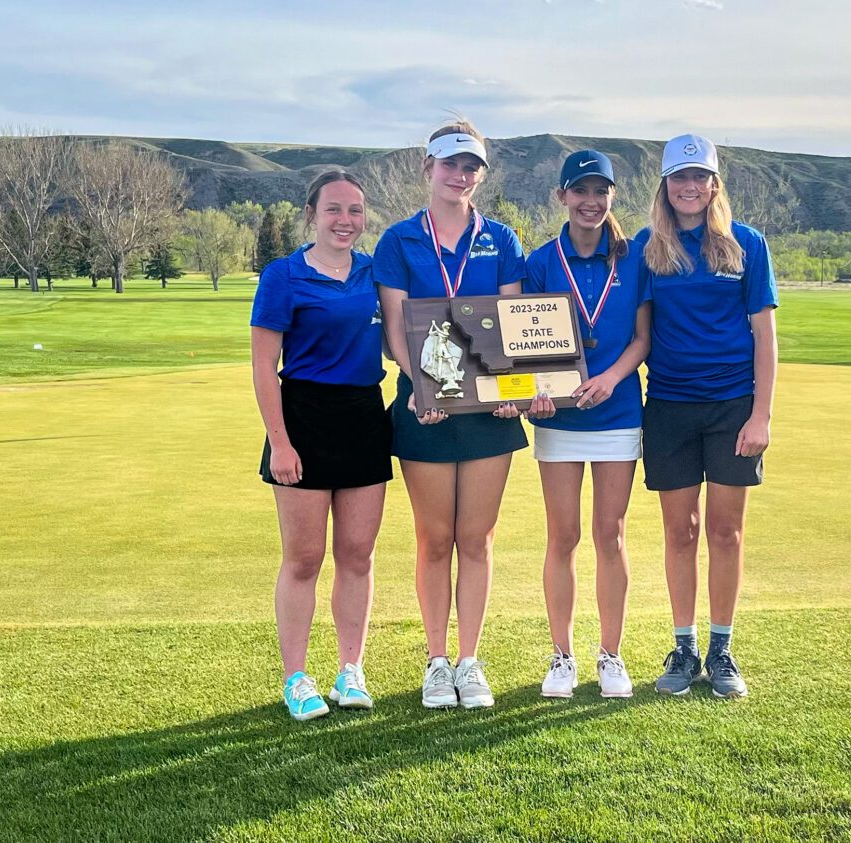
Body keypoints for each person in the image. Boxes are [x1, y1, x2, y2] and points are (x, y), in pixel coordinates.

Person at [374, 120, 551, 710]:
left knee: (474, 539)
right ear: (428, 169)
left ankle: (470, 660)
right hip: (424, 408)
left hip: (489, 413)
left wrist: (511, 387)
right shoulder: (399, 241)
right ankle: (436, 661)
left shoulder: (501, 238)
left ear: (481, 174)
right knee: (433, 538)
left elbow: (509, 320)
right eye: (450, 165)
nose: (460, 175)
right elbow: (398, 328)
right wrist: (421, 387)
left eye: (471, 166)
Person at [640, 134, 778, 700]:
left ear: (714, 184)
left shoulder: (746, 244)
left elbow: (765, 337)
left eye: (699, 177)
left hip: (733, 408)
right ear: (666, 186)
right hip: (669, 406)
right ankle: (685, 645)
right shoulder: (648, 249)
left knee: (725, 531)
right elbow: (638, 330)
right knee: (680, 531)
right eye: (679, 178)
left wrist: (761, 415)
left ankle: (722, 649)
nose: (690, 187)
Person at [250, 171, 391, 720]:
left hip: (363, 416)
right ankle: (296, 677)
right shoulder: (282, 276)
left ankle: (350, 671)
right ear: (311, 213)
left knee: (357, 555)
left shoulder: (375, 273)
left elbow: (411, 335)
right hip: (302, 417)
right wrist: (280, 444)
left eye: (355, 211)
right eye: (334, 209)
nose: (345, 221)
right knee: (304, 558)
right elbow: (264, 368)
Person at [523, 150, 651, 699]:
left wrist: (613, 379)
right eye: (580, 192)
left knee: (610, 532)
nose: (590, 202)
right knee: (564, 535)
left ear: (612, 198)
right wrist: (537, 392)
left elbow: (642, 339)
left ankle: (611, 655)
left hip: (618, 410)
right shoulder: (541, 261)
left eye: (601, 193)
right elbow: (523, 342)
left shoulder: (634, 258)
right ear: (562, 197)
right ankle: (562, 657)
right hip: (561, 417)